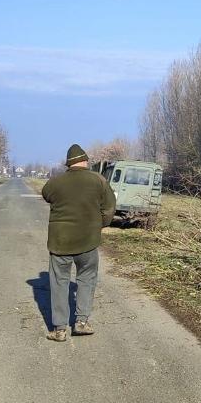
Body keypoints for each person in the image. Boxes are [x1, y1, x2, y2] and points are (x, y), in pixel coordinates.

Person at [41, 144, 116, 342]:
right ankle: (81, 323)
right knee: (86, 279)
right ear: (85, 161)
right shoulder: (99, 180)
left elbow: (46, 194)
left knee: (59, 283)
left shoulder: (55, 182)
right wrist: (98, 226)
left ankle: (59, 330)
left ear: (69, 163)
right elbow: (109, 209)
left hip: (60, 243)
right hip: (88, 242)